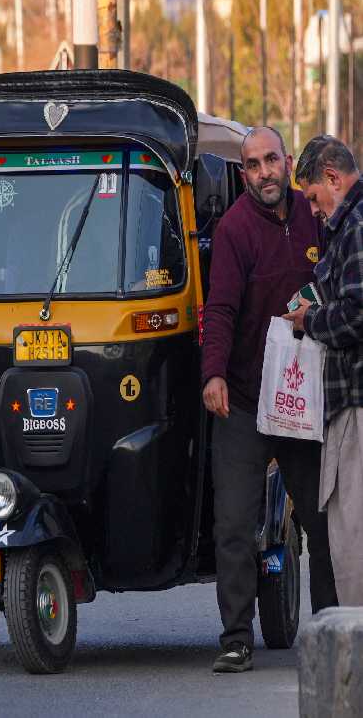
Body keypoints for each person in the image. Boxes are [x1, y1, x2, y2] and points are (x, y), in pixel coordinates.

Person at [201, 126, 337, 674]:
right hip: (244, 399)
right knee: (233, 524)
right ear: (244, 174)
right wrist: (213, 375)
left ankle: (332, 629)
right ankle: (236, 638)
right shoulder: (234, 229)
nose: (264, 173)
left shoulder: (314, 216)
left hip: (302, 398)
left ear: (287, 162)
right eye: (253, 165)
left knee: (321, 517)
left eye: (272, 161)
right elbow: (220, 309)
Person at [283, 135, 363, 605]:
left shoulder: (355, 225)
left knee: (352, 539)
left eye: (313, 197)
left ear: (332, 177)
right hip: (345, 402)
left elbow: (357, 312)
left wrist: (309, 319)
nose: (311, 210)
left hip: (355, 402)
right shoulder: (346, 226)